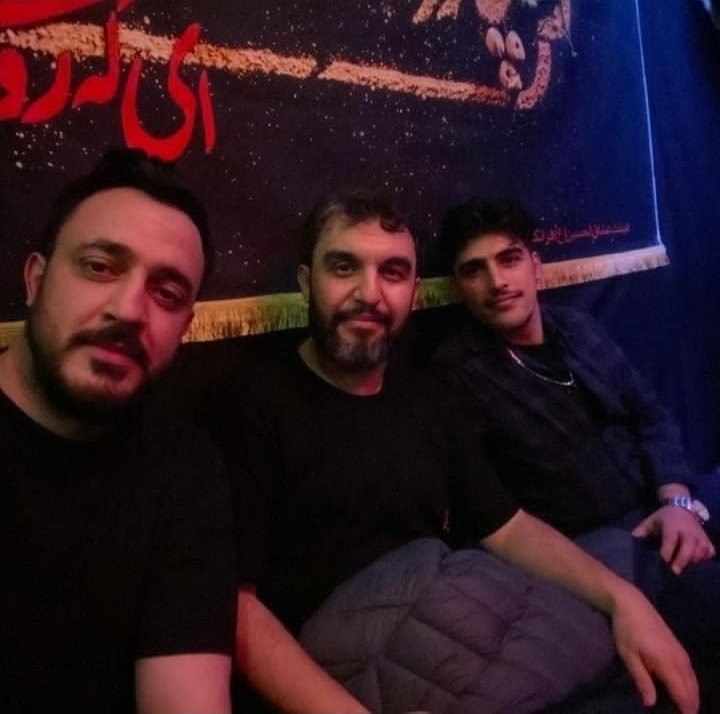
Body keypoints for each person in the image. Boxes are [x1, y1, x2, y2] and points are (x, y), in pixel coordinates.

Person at [213, 190, 699, 714]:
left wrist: (622, 600)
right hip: (349, 656)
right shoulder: (252, 406)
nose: (369, 293)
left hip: (462, 611)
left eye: (393, 272)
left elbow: (506, 527)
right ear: (307, 281)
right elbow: (233, 605)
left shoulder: (428, 393)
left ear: (413, 291)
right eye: (344, 267)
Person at [432, 198, 720, 697]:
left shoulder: (577, 328)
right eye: (475, 271)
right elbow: (492, 518)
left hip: (665, 500)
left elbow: (650, 416)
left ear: (535, 266)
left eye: (509, 259)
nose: (497, 281)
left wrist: (676, 502)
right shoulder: (457, 374)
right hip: (602, 550)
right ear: (459, 288)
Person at [0, 149, 236, 714]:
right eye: (99, 267)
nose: (130, 310)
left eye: (167, 294)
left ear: (185, 328)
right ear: (35, 279)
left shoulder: (186, 473)